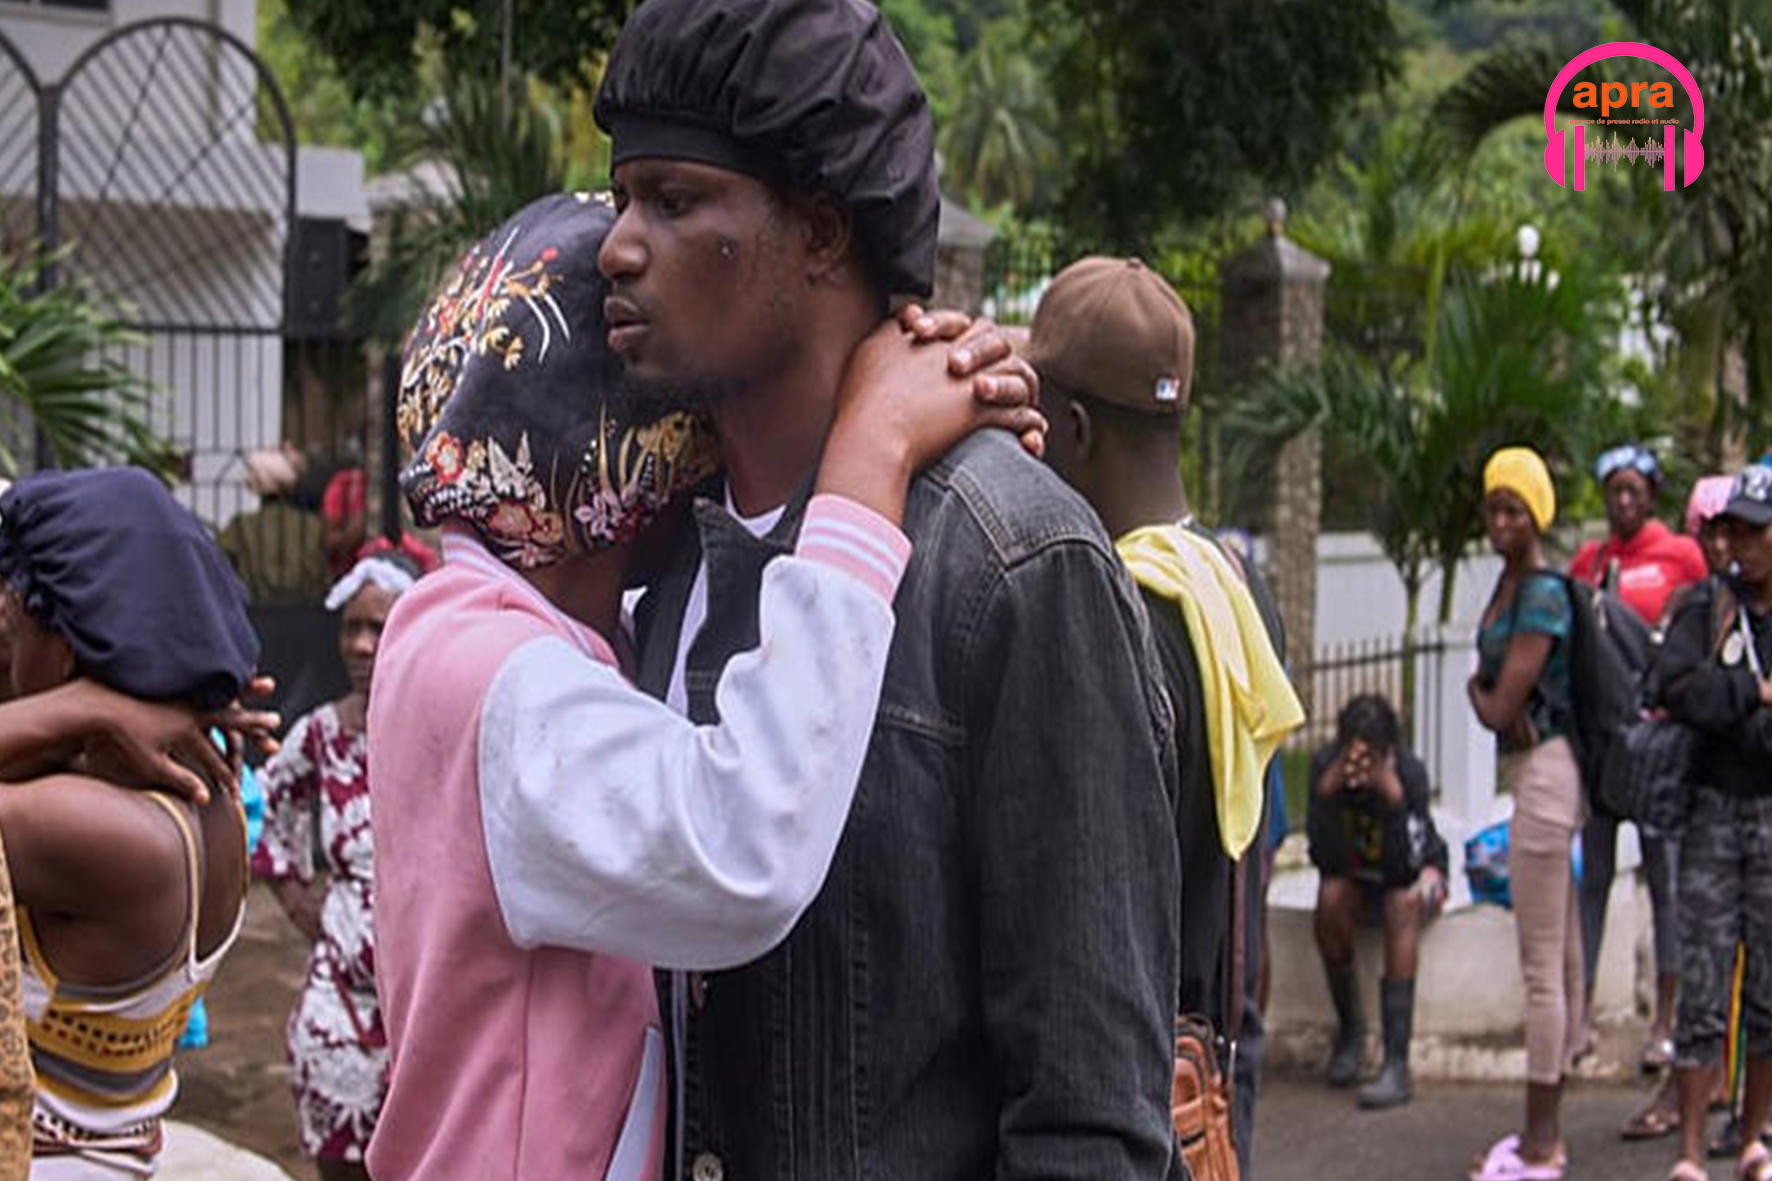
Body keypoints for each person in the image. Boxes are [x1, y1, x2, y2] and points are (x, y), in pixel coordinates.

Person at [594, 5, 1182, 1178]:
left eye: (672, 198)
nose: (617, 243)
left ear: (818, 232)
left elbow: (1088, 1121)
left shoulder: (1012, 565)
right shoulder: (655, 565)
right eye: (620, 197)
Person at [367, 193, 1043, 1179]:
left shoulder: (521, 635)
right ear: (623, 444)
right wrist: (870, 456)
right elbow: (743, 838)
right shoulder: (484, 675)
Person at [1024, 255, 1301, 1174]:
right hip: (1209, 1055)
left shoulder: (1110, 611)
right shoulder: (1231, 584)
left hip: (1125, 1088)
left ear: (1067, 425)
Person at [0, 467, 260, 1178]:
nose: (4, 653)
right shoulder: (208, 793)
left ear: (72, 649)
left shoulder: (99, 830)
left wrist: (79, 708)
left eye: (13, 633)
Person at [255, 553, 416, 1180]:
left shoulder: (439, 725)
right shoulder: (320, 734)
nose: (360, 644)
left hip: (426, 1002)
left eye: (378, 628)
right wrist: (306, 910)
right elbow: (266, 817)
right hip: (339, 1004)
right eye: (351, 627)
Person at [1568, 443, 1706, 1094]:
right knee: (1592, 878)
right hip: (1604, 750)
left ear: (1651, 494)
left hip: (1659, 749)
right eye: (1613, 490)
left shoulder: (1680, 555)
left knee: (1665, 882)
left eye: (1634, 490)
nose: (1623, 501)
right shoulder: (1589, 564)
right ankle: (1581, 1015)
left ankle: (1666, 1018)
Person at [1466, 447, 1583, 1181]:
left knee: (1542, 966)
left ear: (1537, 513)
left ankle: (1542, 1142)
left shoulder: (1539, 594)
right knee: (1560, 956)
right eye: (1494, 507)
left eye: (1516, 509)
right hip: (1534, 772)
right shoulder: (1512, 585)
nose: (1501, 521)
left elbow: (1499, 702)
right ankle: (1547, 1126)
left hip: (1546, 775)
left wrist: (1479, 695)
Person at [1655, 464, 1772, 1181]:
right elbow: (1675, 686)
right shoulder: (1707, 606)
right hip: (1710, 812)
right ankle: (1691, 1152)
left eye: (1757, 530)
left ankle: (1754, 1136)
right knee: (1701, 985)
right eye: (1733, 530)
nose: (1742, 544)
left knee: (1768, 985)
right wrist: (1752, 691)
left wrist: (1729, 706)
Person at [1307, 694, 1448, 1110]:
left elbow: (1409, 866)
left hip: (1413, 875)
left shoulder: (1408, 773)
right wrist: (1327, 796)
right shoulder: (1325, 769)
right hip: (1358, 879)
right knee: (1330, 898)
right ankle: (1350, 1033)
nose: (1360, 761)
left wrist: (1393, 802)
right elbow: (1325, 862)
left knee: (1401, 904)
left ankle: (1397, 1063)